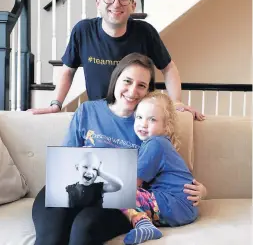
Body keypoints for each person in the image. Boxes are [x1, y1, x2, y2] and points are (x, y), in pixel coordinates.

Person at [32, 53, 207, 245]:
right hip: (75, 187)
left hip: (115, 202)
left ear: (148, 90)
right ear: (115, 80)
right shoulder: (88, 110)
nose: (132, 91)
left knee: (83, 229)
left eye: (141, 85)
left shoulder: (150, 125)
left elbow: (171, 169)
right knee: (52, 234)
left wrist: (201, 190)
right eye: (127, 81)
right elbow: (66, 161)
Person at [29, 0, 205, 121]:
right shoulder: (83, 31)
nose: (116, 3)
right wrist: (56, 104)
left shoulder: (145, 32)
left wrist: (177, 103)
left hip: (139, 117)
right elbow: (67, 71)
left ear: (133, 5)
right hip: (101, 118)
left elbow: (169, 67)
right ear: (98, 2)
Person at [122, 91, 198, 244]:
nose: (143, 124)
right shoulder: (160, 143)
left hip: (174, 204)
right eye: (139, 117)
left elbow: (134, 183)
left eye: (152, 119)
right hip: (183, 208)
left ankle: (144, 225)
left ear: (166, 126)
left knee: (119, 191)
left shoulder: (155, 144)